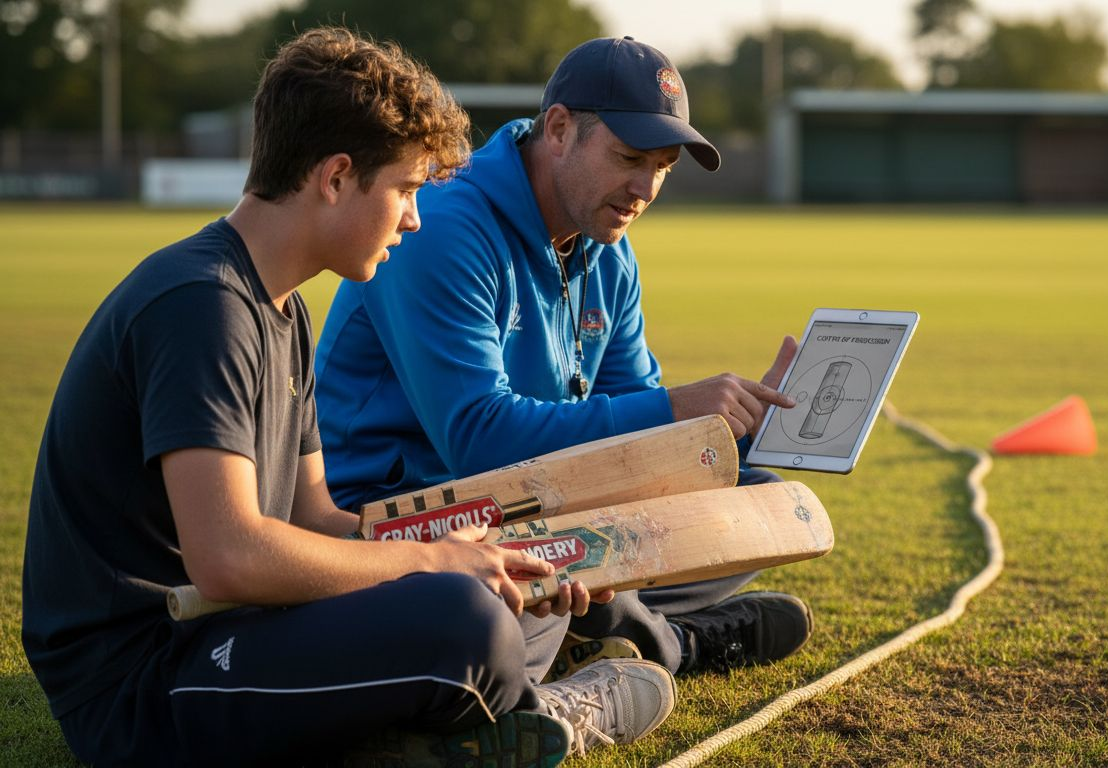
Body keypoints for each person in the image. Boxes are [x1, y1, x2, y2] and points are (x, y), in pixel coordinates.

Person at [21, 27, 672, 768]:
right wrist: (431, 568)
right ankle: (537, 711)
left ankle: (425, 735)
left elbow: (314, 517)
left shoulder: (282, 306)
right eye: (405, 188)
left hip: (229, 630)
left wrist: (470, 553)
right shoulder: (201, 304)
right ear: (334, 177)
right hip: (143, 683)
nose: (415, 218)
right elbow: (228, 557)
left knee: (497, 591)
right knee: (465, 622)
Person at [314, 36, 813, 680]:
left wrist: (733, 434)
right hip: (415, 513)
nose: (645, 188)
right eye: (629, 157)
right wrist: (674, 408)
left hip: (533, 503)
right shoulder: (441, 225)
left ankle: (605, 622)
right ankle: (674, 644)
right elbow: (477, 439)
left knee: (757, 502)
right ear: (557, 130)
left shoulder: (608, 249)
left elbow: (637, 444)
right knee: (526, 582)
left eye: (663, 166)